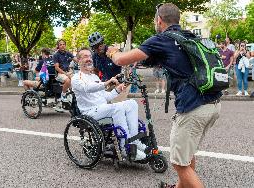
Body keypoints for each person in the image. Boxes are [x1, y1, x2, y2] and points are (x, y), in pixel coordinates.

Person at [106, 3, 221, 188]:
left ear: (159, 20)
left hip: (193, 108)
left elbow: (121, 59)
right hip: (213, 103)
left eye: (155, 20)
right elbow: (159, 60)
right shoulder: (188, 37)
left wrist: (112, 51)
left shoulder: (162, 39)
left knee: (179, 164)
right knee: (187, 155)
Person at [71, 47, 147, 161]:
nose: (89, 59)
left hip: (102, 108)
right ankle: (125, 148)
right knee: (117, 108)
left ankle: (134, 141)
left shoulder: (95, 77)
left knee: (132, 103)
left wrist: (118, 89)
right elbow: (87, 88)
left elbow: (105, 97)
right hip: (90, 112)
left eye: (90, 56)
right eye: (85, 56)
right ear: (78, 60)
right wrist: (106, 83)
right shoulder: (76, 78)